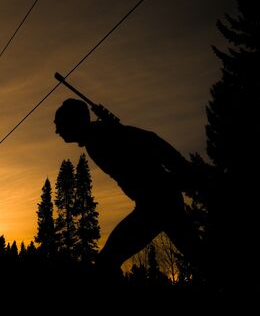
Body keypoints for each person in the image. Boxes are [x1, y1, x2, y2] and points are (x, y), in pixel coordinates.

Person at [54, 98, 200, 277]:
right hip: (158, 202)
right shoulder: (99, 135)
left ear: (73, 121)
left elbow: (150, 140)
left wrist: (182, 168)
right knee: (198, 255)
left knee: (106, 262)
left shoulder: (101, 135)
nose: (57, 131)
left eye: (60, 124)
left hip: (156, 204)